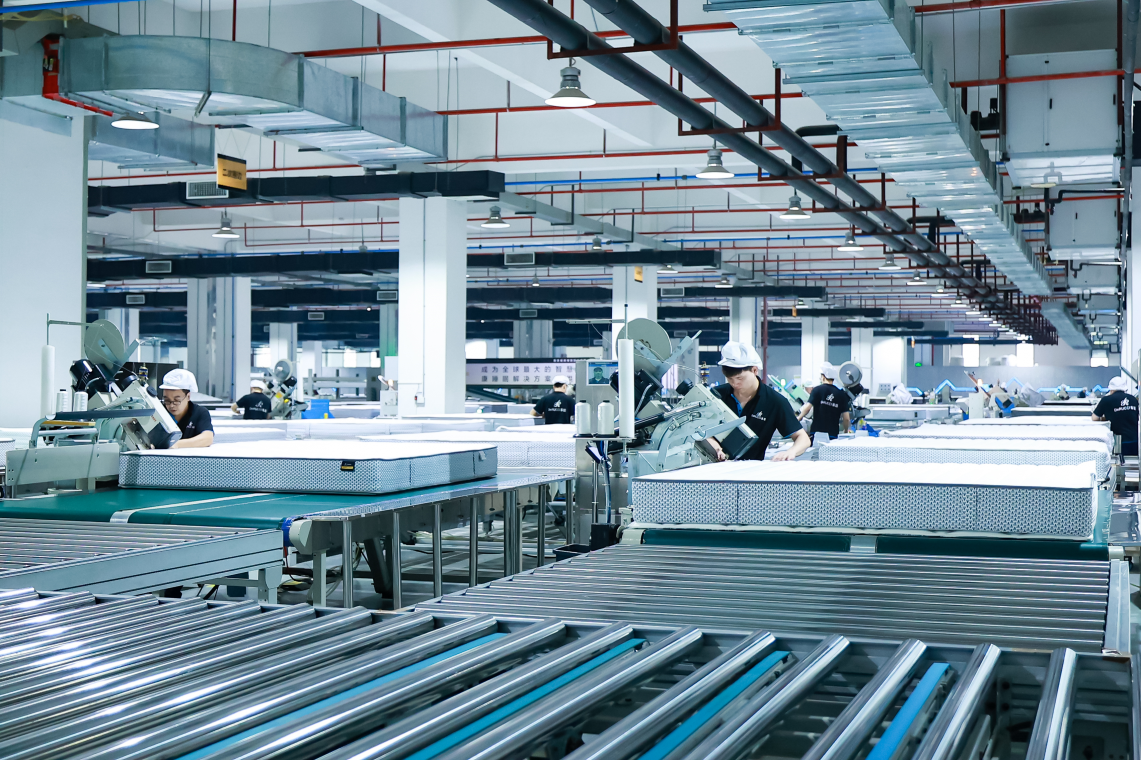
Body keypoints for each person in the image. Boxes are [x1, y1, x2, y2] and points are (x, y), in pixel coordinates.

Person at [707, 341, 810, 462]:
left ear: (754, 370)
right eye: (730, 379)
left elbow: (803, 438)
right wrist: (714, 447)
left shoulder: (774, 401)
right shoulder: (716, 395)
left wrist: (791, 452)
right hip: (712, 465)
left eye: (740, 378)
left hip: (751, 468)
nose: (735, 383)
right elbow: (700, 429)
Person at [159, 369, 214, 448]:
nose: (171, 405)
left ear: (188, 396)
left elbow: (207, 438)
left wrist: (175, 444)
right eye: (167, 400)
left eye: (177, 400)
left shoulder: (199, 413)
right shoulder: (159, 412)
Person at [797, 362, 851, 440]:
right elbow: (846, 418)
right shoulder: (841, 394)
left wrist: (799, 418)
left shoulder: (817, 390)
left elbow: (807, 408)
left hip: (816, 433)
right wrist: (845, 431)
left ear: (823, 377)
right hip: (833, 434)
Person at [1093, 376, 1138, 457]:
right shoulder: (1133, 399)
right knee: (1134, 463)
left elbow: (1094, 418)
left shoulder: (1106, 400)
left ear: (1111, 389)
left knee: (1119, 462)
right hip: (1135, 440)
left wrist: (1106, 418)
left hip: (1118, 442)